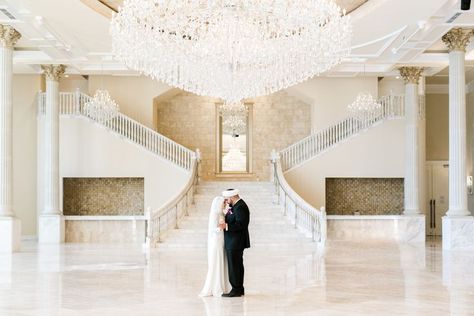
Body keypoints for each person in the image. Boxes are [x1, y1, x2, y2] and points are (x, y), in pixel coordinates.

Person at [219, 189, 250, 298]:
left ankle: (236, 290)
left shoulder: (240, 206)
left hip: (235, 242)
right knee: (237, 265)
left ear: (232, 197)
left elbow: (241, 224)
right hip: (235, 241)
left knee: (234, 266)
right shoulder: (236, 206)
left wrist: (226, 226)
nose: (227, 201)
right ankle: (239, 289)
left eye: (227, 199)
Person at [199, 196, 231, 297]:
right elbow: (213, 229)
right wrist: (221, 227)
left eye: (224, 203)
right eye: (223, 203)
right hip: (216, 241)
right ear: (218, 204)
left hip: (221, 241)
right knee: (216, 263)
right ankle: (215, 287)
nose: (224, 205)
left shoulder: (222, 213)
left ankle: (222, 285)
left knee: (221, 262)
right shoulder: (214, 214)